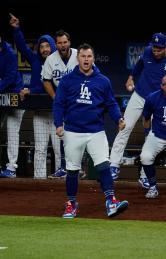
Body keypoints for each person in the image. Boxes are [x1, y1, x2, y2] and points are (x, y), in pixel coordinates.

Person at [110, 32, 166, 190]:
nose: (155, 51)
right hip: (140, 94)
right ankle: (114, 165)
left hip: (157, 101)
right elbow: (140, 63)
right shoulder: (148, 50)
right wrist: (131, 77)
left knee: (150, 136)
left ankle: (144, 176)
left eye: (159, 49)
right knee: (124, 126)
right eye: (154, 48)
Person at [53, 43, 128, 218]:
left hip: (96, 131)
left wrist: (119, 118)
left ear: (93, 59)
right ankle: (71, 203)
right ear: (77, 58)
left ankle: (111, 202)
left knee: (103, 166)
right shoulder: (67, 80)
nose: (86, 59)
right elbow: (59, 104)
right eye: (83, 56)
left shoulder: (103, 81)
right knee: (72, 170)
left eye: (89, 56)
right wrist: (58, 124)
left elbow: (110, 103)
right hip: (72, 131)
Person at [9, 13, 63, 179]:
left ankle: (62, 180)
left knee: (58, 149)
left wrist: (31, 91)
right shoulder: (35, 60)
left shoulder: (59, 62)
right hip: (39, 113)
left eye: (48, 46)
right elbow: (22, 47)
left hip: (56, 113)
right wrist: (16, 29)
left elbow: (51, 86)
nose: (45, 49)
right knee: (39, 149)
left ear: (53, 46)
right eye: (42, 46)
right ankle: (39, 181)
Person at [41, 29, 79, 178]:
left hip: (79, 100)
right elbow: (46, 81)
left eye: (65, 42)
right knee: (65, 135)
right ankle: (64, 167)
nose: (62, 45)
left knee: (81, 134)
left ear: (69, 42)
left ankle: (79, 167)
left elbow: (94, 71)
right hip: (64, 102)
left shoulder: (78, 54)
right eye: (59, 43)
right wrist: (56, 97)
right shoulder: (51, 59)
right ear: (56, 44)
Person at [0, 36, 24, 178]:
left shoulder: (9, 53)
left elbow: (10, 77)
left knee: (12, 131)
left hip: (14, 94)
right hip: (2, 94)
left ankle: (11, 168)